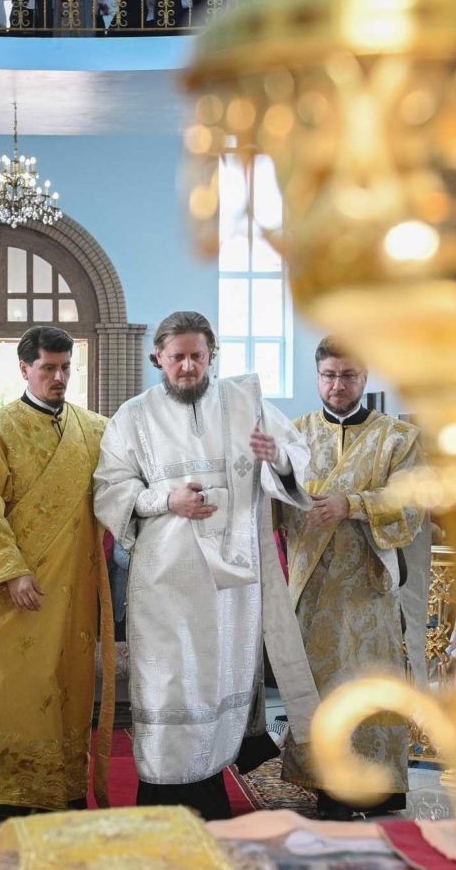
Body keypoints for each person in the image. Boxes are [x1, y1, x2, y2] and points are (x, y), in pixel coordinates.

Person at [93, 311, 314, 819]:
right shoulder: (133, 415)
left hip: (231, 583)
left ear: (212, 355)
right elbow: (111, 489)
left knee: (218, 682)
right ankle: (163, 797)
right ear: (158, 359)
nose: (188, 367)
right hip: (166, 578)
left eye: (197, 356)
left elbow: (296, 459)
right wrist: (167, 500)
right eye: (177, 358)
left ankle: (209, 792)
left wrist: (277, 456)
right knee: (169, 680)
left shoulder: (245, 403)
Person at [280, 338, 425, 818]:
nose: (337, 385)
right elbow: (274, 502)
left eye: (348, 376)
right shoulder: (295, 435)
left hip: (368, 583)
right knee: (321, 688)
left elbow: (410, 503)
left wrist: (352, 504)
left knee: (369, 683)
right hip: (313, 584)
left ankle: (380, 785)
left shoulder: (397, 438)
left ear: (365, 378)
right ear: (317, 375)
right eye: (328, 376)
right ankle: (328, 786)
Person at [0, 325, 111, 821]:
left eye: (65, 369)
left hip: (76, 587)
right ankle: (7, 792)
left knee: (70, 687)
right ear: (23, 369)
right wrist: (12, 572)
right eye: (48, 369)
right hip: (19, 592)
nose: (59, 378)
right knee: (15, 686)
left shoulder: (95, 430)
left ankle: (64, 787)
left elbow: (118, 492)